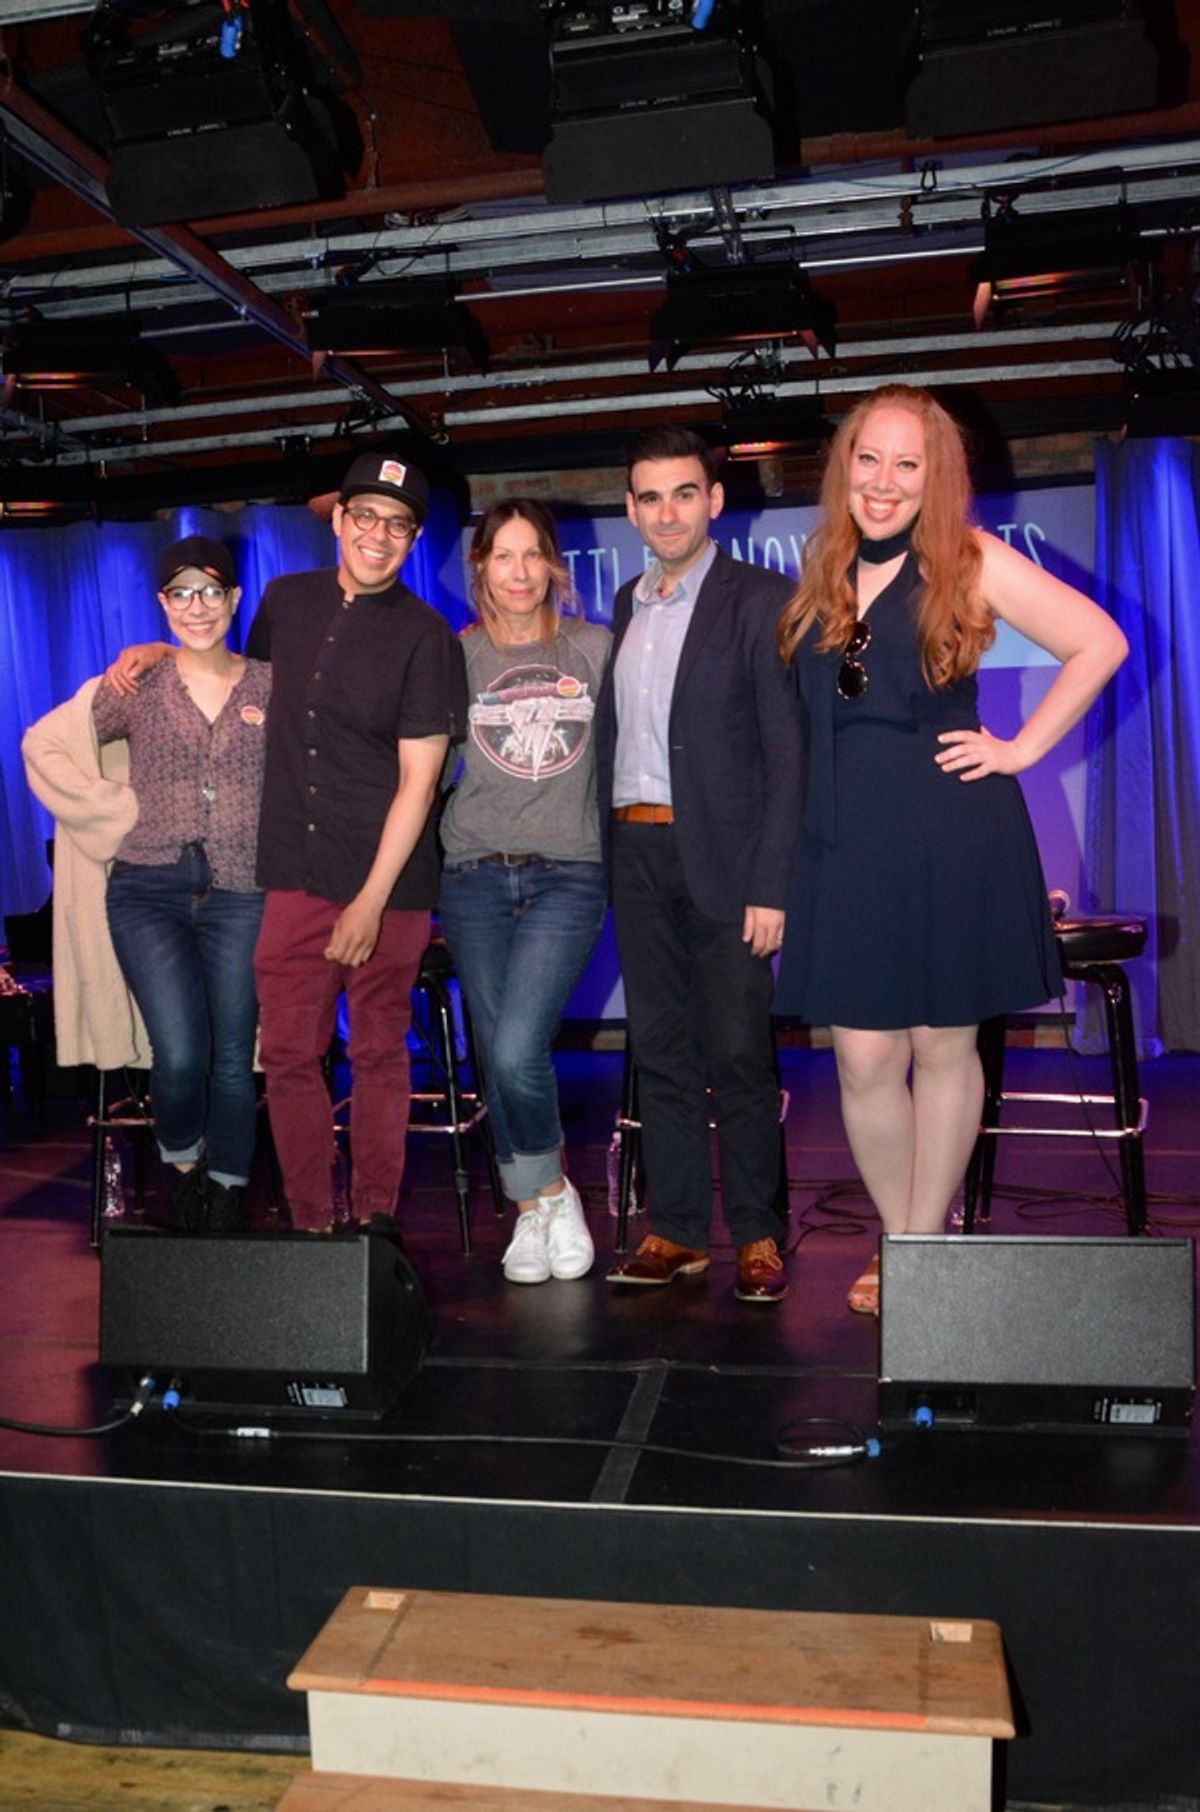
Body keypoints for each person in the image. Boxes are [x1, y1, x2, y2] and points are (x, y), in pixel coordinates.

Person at [776, 383, 1129, 1316]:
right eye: (869, 460)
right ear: (845, 466)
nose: (883, 482)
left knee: (941, 1043)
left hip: (946, 834)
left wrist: (1018, 750)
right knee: (860, 1057)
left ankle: (918, 1242)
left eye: (907, 465)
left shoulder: (968, 559)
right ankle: (901, 1233)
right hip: (844, 839)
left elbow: (1099, 643)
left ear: (935, 478)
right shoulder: (825, 567)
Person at [109, 455, 468, 1233]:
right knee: (292, 1057)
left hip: (389, 886)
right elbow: (235, 676)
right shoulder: (284, 601)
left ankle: (374, 1218)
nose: (378, 535)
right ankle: (309, 1218)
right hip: (293, 877)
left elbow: (420, 784)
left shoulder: (427, 637)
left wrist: (370, 901)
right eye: (365, 516)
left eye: (397, 524)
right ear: (339, 520)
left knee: (376, 1055)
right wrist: (166, 650)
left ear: (413, 539)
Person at [598, 426, 804, 1304]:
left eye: (685, 492)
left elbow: (788, 755)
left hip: (726, 861)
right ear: (632, 509)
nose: (668, 510)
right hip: (636, 852)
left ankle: (758, 1235)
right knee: (664, 1053)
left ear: (715, 501)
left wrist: (771, 884)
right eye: (650, 496)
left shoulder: (763, 598)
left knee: (740, 1055)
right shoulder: (623, 603)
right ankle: (677, 1231)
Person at [25, 535, 270, 1231]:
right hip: (147, 889)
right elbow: (43, 742)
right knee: (181, 1051)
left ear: (234, 599)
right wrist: (115, 813)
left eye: (211, 591)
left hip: (243, 890)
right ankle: (182, 1161)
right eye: (181, 593)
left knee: (231, 1054)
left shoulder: (270, 686)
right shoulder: (134, 688)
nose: (198, 607)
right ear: (163, 604)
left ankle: (226, 1191)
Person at [438, 499, 610, 1284]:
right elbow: (425, 771)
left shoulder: (595, 650)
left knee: (515, 1047)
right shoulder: (455, 658)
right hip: (473, 873)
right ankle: (532, 1214)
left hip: (568, 872)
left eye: (530, 554)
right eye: (500, 556)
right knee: (494, 1051)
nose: (516, 571)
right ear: (481, 568)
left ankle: (550, 1190)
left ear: (552, 566)